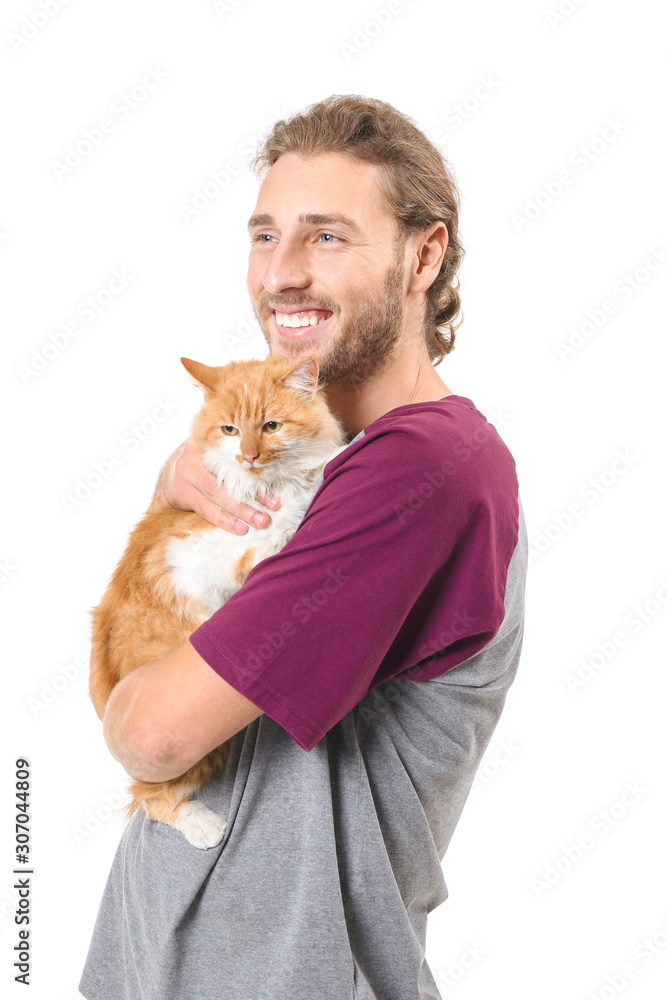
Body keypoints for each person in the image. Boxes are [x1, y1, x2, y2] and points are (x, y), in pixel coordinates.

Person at [79, 94, 528, 1000]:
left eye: (326, 237)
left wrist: (123, 706)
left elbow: (152, 734)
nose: (281, 273)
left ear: (423, 255)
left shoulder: (419, 465)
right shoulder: (329, 468)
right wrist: (170, 498)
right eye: (263, 235)